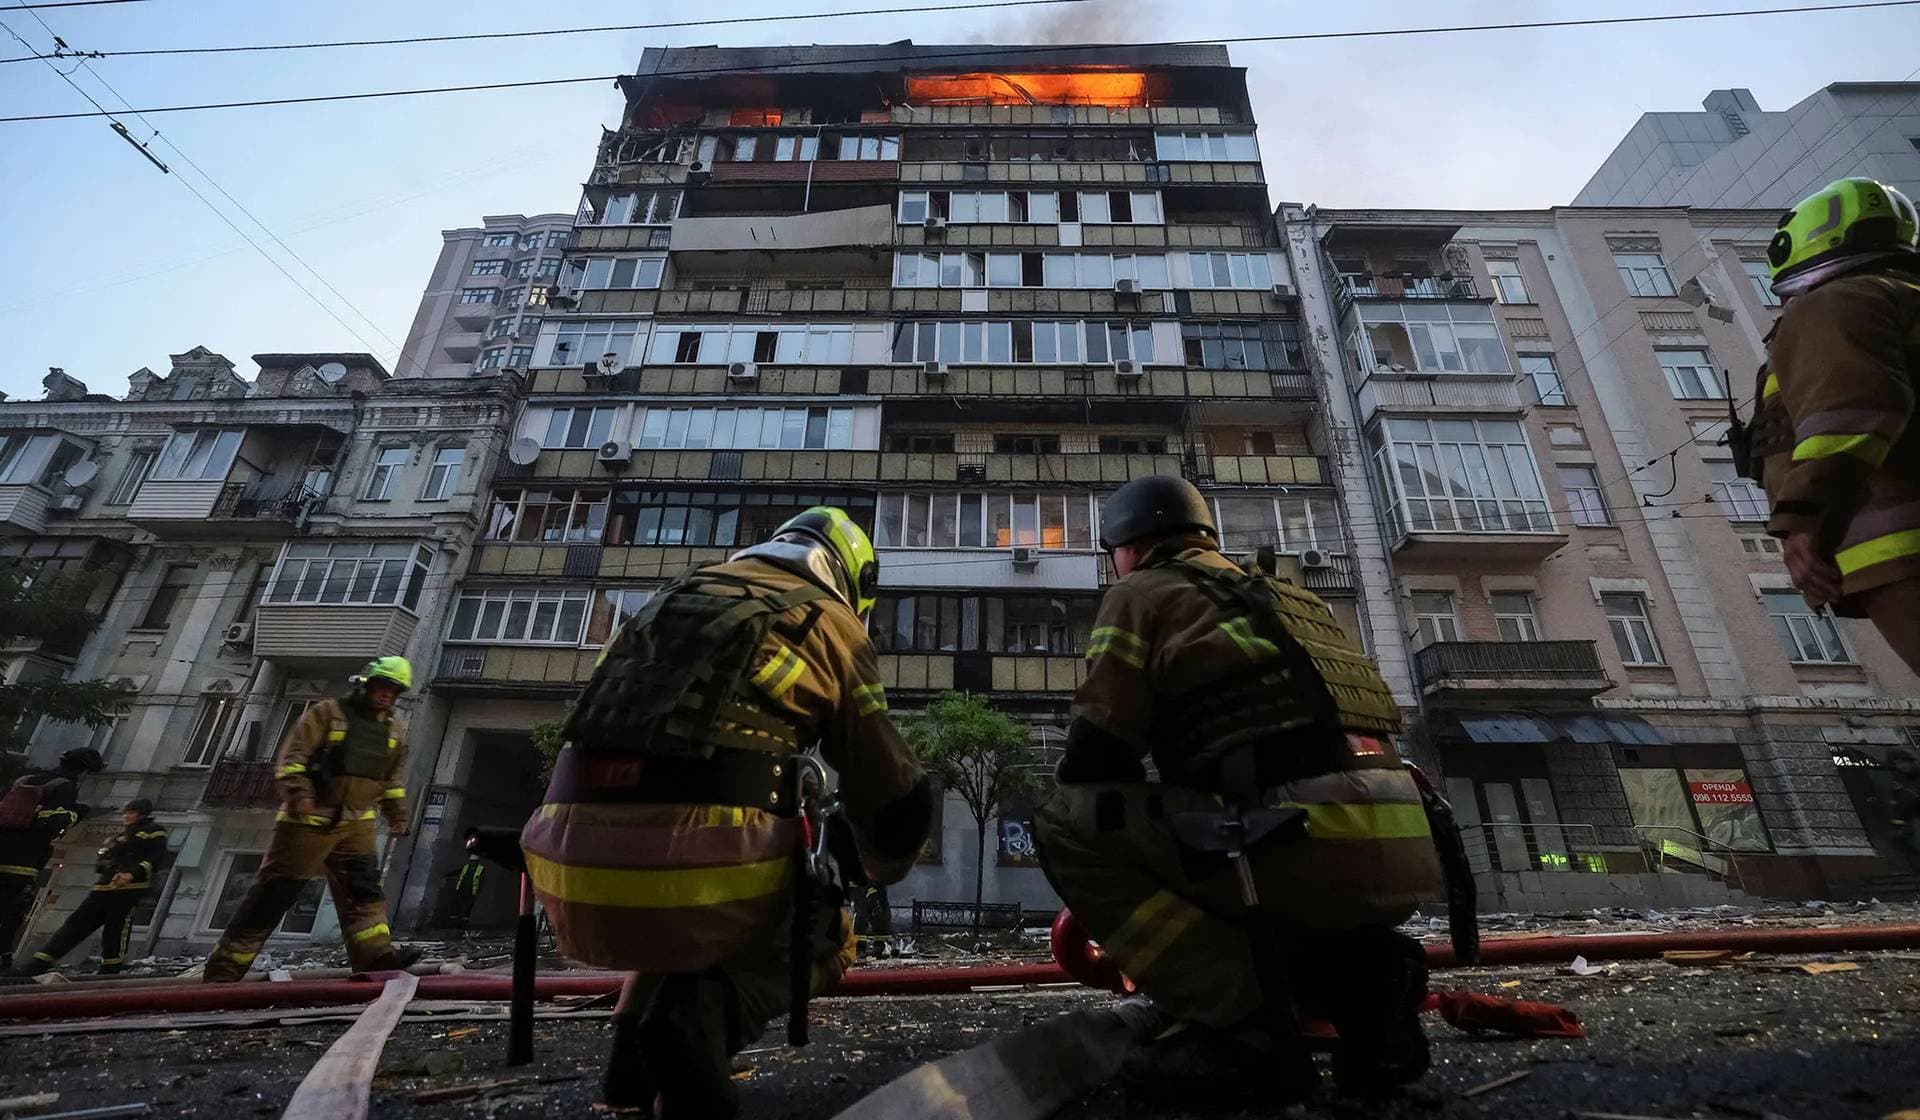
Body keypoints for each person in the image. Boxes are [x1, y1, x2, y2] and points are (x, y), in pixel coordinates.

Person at [1033, 476, 1442, 1105]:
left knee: (1066, 819)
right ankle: (1371, 994)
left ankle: (1240, 1025)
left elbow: (1098, 752)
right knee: (1240, 829)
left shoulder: (1142, 591)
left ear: (1131, 548)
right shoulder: (1288, 595)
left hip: (1292, 841)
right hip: (1406, 845)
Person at [523, 506, 931, 1118]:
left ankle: (628, 1066)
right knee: (824, 936)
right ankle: (700, 1019)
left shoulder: (674, 595)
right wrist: (879, 863)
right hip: (693, 868)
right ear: (851, 577)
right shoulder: (832, 622)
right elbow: (889, 787)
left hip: (562, 870)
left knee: (685, 922)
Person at [1749, 176, 1920, 673]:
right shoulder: (1901, 295)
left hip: (1900, 541)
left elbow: (1850, 412)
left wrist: (1803, 522)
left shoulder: (1836, 302)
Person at [203, 658, 420, 981]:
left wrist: (397, 817)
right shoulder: (327, 714)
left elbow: (391, 781)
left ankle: (375, 959)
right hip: (308, 822)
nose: (386, 695)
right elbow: (294, 758)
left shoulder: (393, 730)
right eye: (381, 686)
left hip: (357, 823)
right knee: (275, 893)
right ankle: (225, 969)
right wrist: (299, 793)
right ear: (367, 684)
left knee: (364, 892)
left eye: (393, 690)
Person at [10, 798, 168, 977]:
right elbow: (107, 856)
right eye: (126, 813)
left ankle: (109, 971)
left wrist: (132, 874)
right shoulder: (121, 835)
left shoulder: (154, 832)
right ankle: (39, 963)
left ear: (142, 814)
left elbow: (155, 859)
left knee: (115, 931)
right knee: (75, 924)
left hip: (128, 890)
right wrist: (104, 861)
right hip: (103, 888)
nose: (126, 817)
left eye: (131, 813)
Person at [0, 747, 102, 970]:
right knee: (12, 908)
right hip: (23, 859)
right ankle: (3, 957)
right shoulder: (65, 787)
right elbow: (54, 822)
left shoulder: (26, 780)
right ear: (83, 771)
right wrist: (77, 812)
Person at [1887, 748, 1920, 870]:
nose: (1900, 766)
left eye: (1902, 762)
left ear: (1910, 761)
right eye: (1897, 764)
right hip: (1912, 819)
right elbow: (1898, 805)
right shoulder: (1899, 781)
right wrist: (1898, 826)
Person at [448, 850, 486, 931]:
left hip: (471, 892)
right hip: (461, 889)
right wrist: (447, 874)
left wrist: (478, 892)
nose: (472, 863)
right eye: (471, 861)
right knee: (456, 905)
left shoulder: (480, 869)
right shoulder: (466, 867)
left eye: (473, 861)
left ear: (477, 862)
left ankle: (463, 925)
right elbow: (458, 871)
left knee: (467, 907)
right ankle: (453, 924)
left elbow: (482, 881)